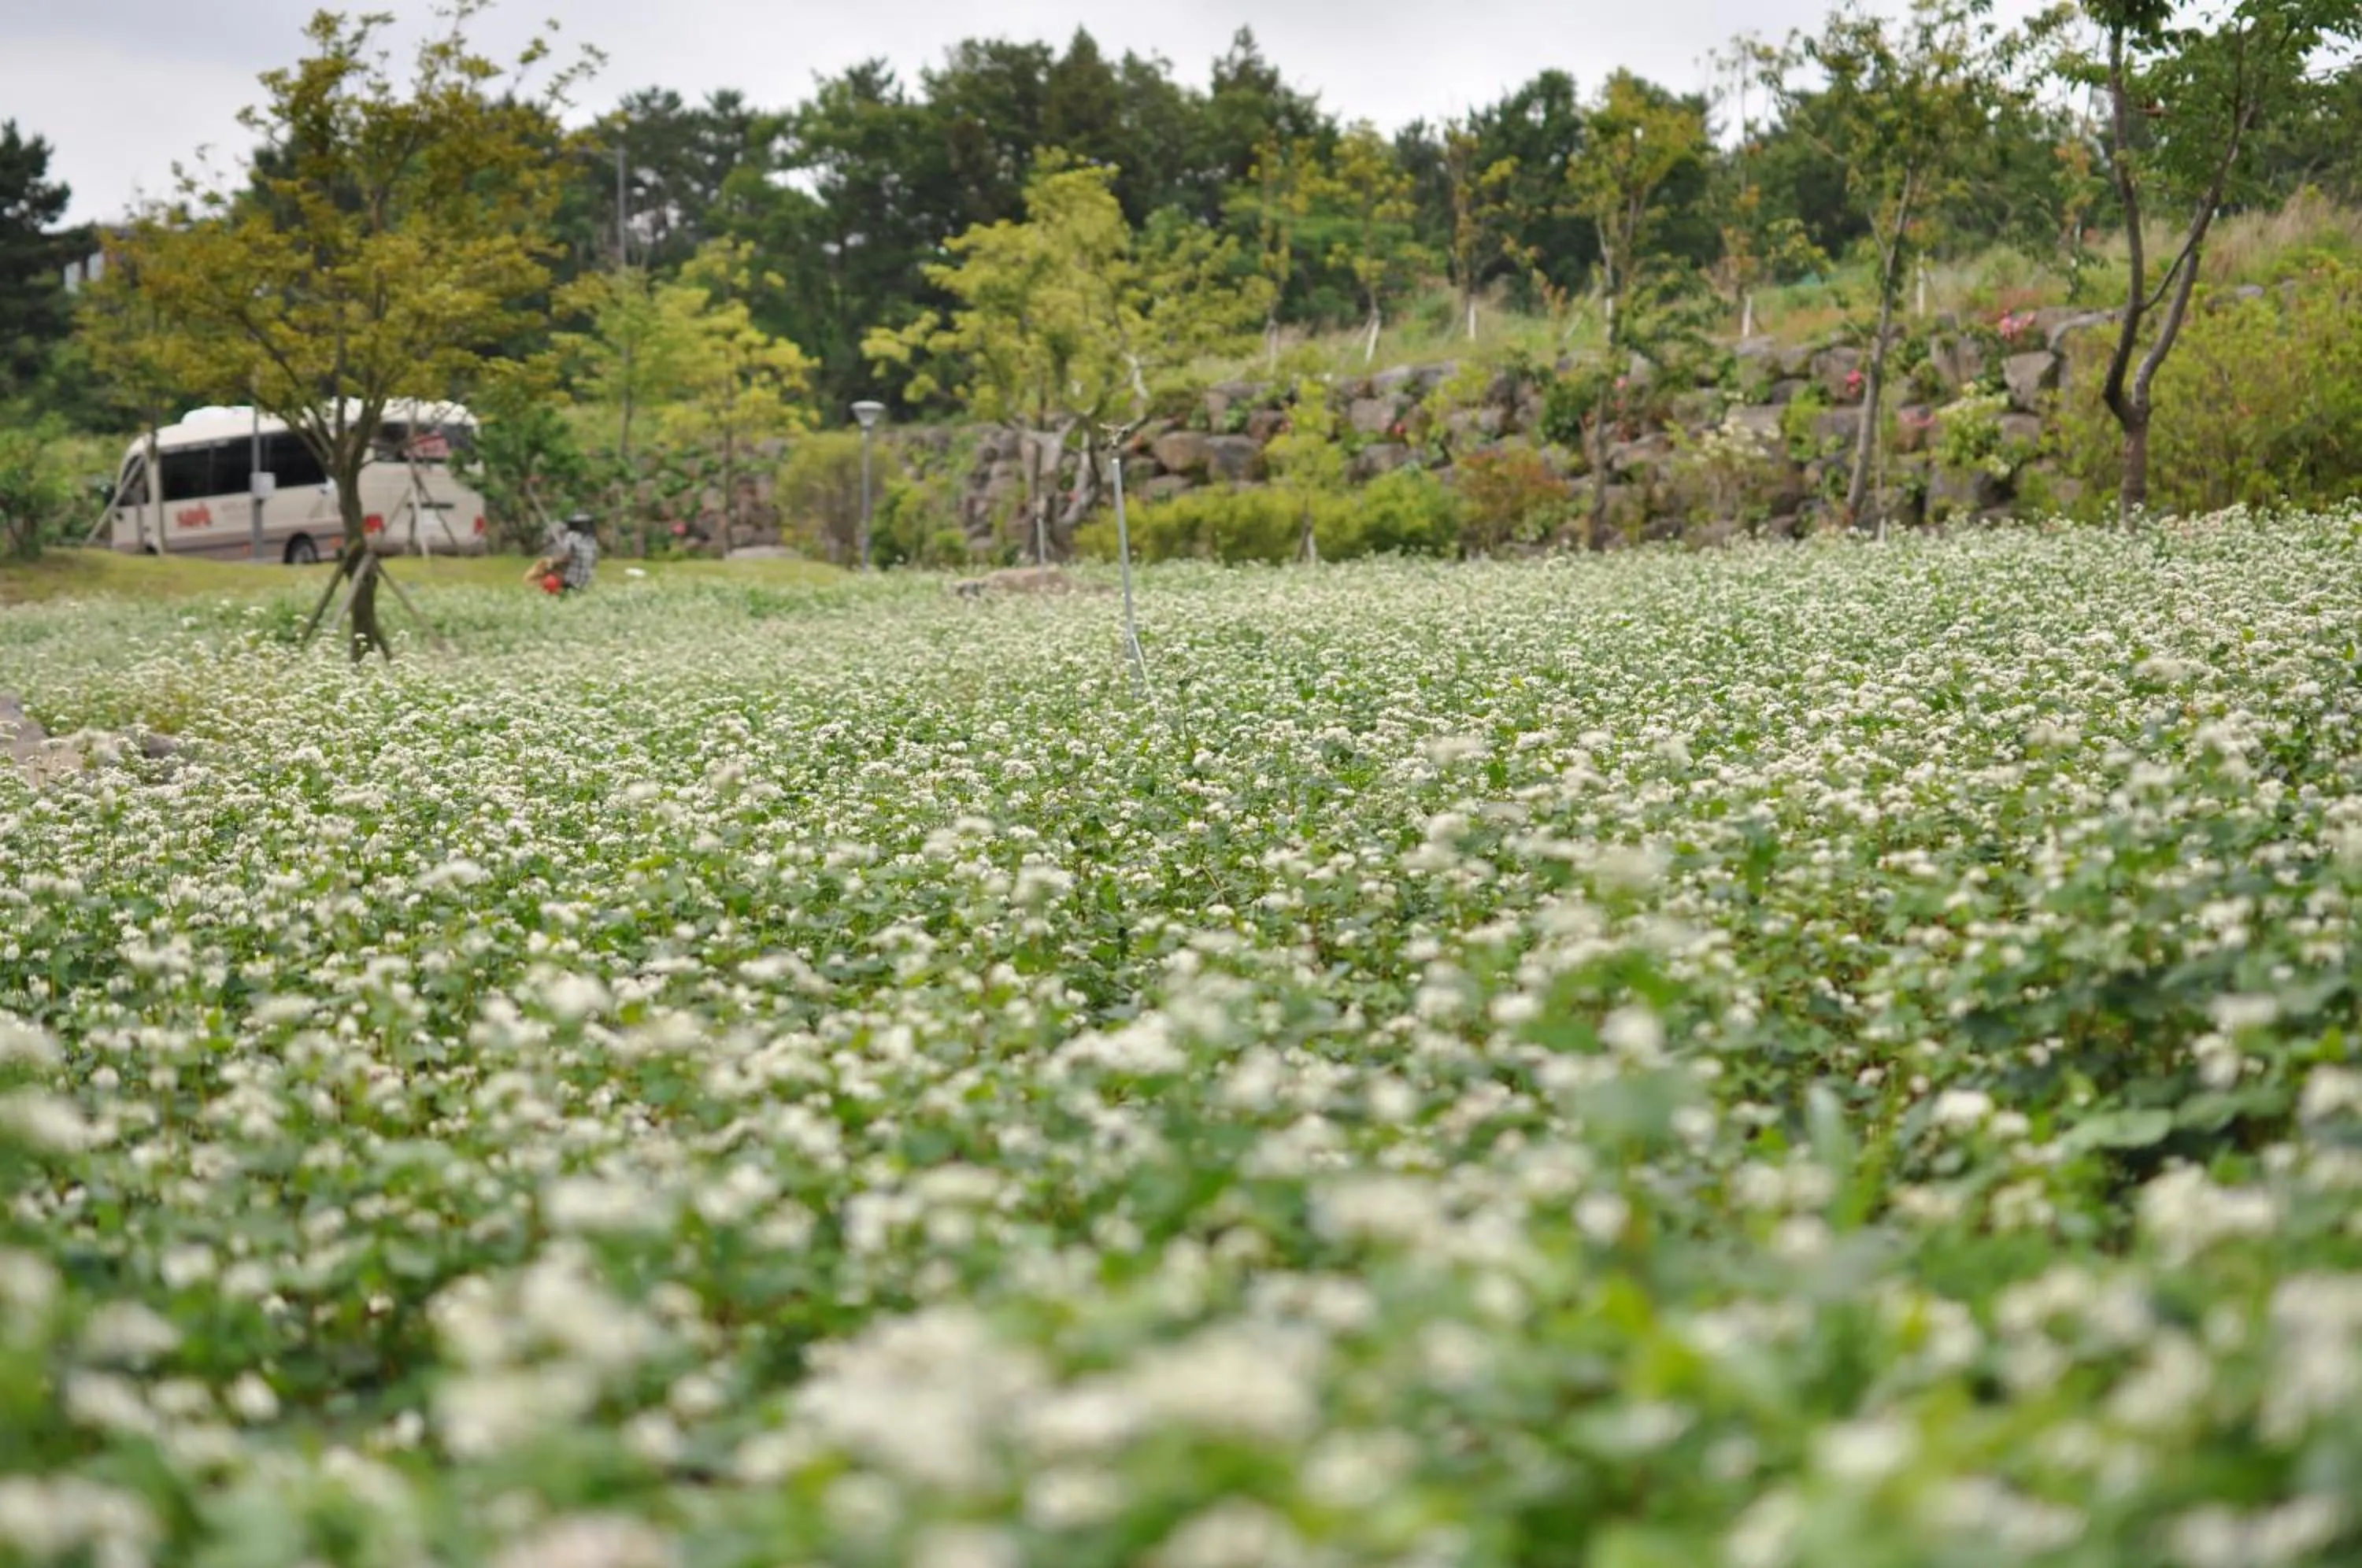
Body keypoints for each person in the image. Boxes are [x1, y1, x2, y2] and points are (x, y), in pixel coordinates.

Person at [525, 512, 599, 596]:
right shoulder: (593, 542)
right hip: (586, 584)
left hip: (570, 583)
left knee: (549, 578)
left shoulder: (572, 536)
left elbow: (565, 557)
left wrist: (550, 561)